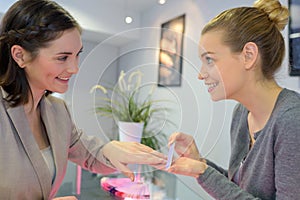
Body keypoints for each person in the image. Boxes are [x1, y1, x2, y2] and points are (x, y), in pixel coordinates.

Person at [0, 0, 166, 199]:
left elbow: (88, 153)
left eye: (77, 55)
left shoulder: (58, 110)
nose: (74, 68)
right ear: (20, 56)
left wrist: (112, 150)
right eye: (63, 57)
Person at [167, 0, 300, 199]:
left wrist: (204, 172)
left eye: (209, 60)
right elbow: (238, 189)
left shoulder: (292, 120)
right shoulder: (241, 113)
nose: (201, 74)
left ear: (248, 55)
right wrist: (200, 164)